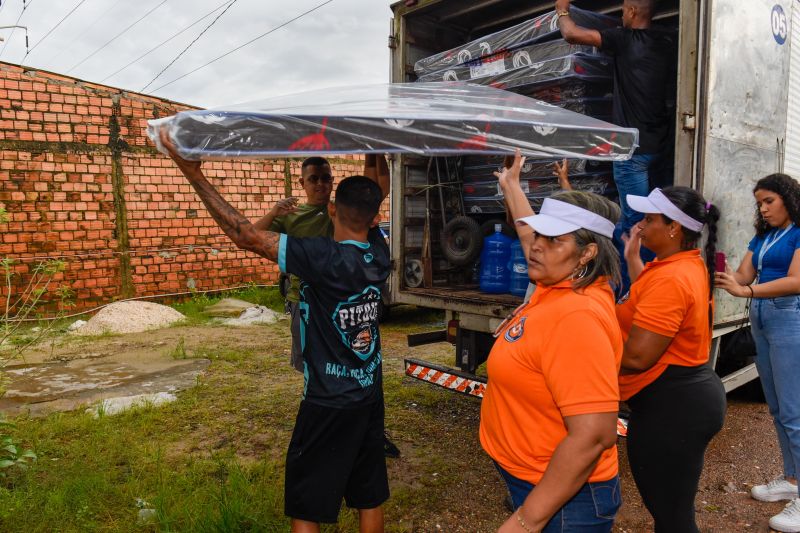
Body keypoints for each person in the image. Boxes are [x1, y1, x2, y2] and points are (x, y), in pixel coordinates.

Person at [158, 128, 391, 533]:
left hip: (326, 401)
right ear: (375, 218)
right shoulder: (379, 251)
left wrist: (192, 172)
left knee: (307, 499)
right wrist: (374, 143)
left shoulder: (321, 258)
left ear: (334, 208)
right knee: (368, 491)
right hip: (369, 394)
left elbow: (243, 235)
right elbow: (375, 192)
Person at [482, 151, 624, 532]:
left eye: (552, 240)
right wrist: (511, 185)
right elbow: (532, 235)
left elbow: (594, 435)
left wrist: (527, 521)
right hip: (539, 480)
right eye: (538, 234)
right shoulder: (563, 279)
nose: (535, 246)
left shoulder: (577, 316)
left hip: (566, 503)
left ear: (587, 253)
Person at [618, 186, 726, 532]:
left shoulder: (671, 277)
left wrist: (584, 353)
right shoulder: (679, 265)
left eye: (649, 219)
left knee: (673, 520)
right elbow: (650, 304)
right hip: (682, 400)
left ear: (673, 228)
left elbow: (637, 357)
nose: (642, 225)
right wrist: (633, 256)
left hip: (672, 408)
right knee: (671, 515)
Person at [555, 0, 677, 293]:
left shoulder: (623, 39)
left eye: (623, 9)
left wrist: (561, 9)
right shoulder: (665, 41)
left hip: (630, 151)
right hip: (659, 147)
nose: (621, 14)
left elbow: (571, 34)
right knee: (655, 219)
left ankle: (627, 290)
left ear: (633, 12)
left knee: (634, 225)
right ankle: (651, 280)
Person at [715, 174, 800, 533]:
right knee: (778, 408)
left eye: (769, 201)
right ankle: (793, 480)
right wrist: (720, 269)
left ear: (788, 199)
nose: (763, 209)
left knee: (795, 409)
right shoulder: (764, 235)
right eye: (760, 203)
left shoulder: (798, 233)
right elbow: (743, 274)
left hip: (789, 318)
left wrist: (746, 290)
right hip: (762, 319)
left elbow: (797, 280)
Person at [254, 155, 390, 373]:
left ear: (332, 181)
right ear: (302, 183)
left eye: (326, 179)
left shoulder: (342, 211)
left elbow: (375, 188)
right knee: (310, 363)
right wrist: (273, 213)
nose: (320, 184)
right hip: (305, 299)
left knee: (346, 357)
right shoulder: (291, 215)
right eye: (313, 179)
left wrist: (371, 151)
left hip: (343, 299)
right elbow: (253, 237)